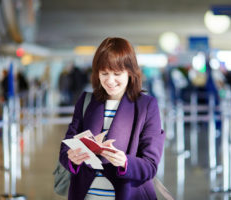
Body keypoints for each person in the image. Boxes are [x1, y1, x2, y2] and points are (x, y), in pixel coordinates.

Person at [59, 37, 165, 199]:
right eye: (104, 73)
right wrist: (72, 158)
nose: (110, 80)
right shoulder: (86, 101)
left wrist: (125, 162)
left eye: (117, 73)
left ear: (130, 72)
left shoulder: (146, 106)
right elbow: (65, 150)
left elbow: (150, 166)